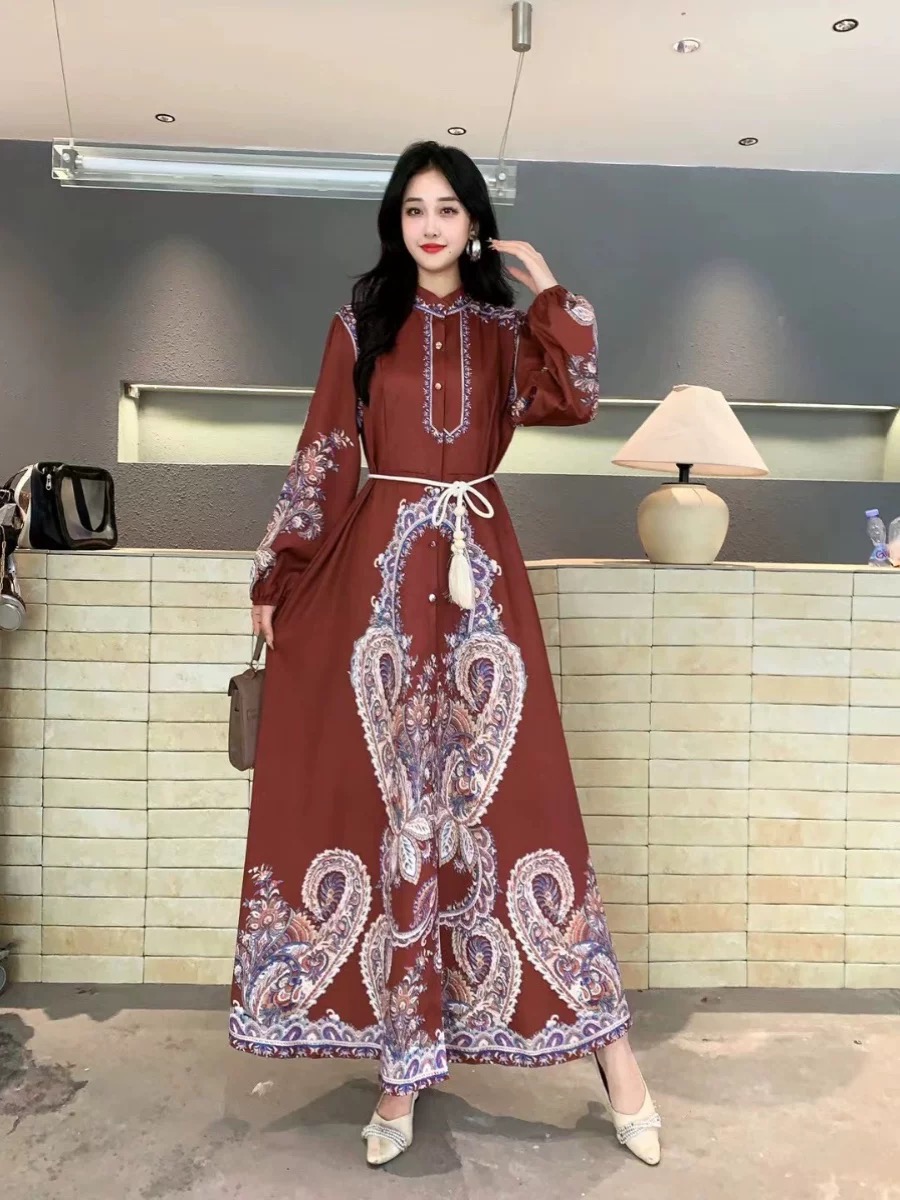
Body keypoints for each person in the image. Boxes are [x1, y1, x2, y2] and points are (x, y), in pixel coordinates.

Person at [231, 140, 661, 1169]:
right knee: (393, 813)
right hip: (377, 587)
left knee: (518, 805)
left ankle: (617, 1063)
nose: (430, 226)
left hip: (481, 588)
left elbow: (573, 399)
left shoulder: (506, 334)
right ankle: (401, 1073)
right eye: (414, 208)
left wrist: (550, 292)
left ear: (474, 223)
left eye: (449, 209)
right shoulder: (360, 324)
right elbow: (325, 452)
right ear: (398, 221)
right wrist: (280, 572)